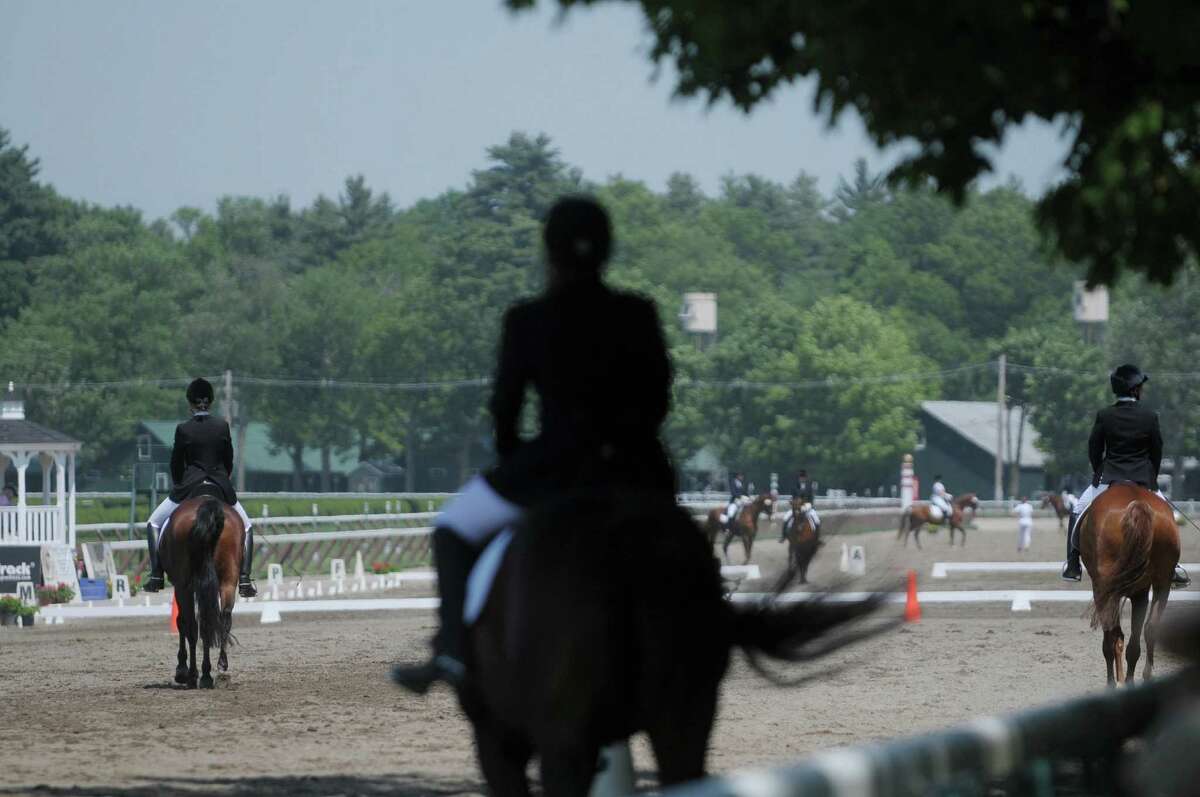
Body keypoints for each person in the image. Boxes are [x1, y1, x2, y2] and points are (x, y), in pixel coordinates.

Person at [392, 196, 676, 694]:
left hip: (552, 471)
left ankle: (454, 650)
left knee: (452, 530)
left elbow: (504, 411)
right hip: (634, 470)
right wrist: (623, 448)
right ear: (608, 250)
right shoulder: (637, 313)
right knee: (679, 549)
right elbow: (658, 400)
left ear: (551, 253)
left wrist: (518, 457)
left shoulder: (527, 319)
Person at [1061, 364, 1188, 585]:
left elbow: (1094, 447)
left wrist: (1099, 469)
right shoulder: (1150, 416)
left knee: (1078, 510)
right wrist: (1152, 478)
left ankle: (1072, 563)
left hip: (1109, 477)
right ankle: (1172, 565)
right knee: (1165, 515)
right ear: (1135, 390)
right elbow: (1156, 450)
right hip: (1143, 479)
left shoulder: (1105, 415)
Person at [142, 378, 257, 597]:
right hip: (219, 484)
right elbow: (228, 459)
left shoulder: (183, 429)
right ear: (210, 402)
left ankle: (156, 574)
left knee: (153, 523)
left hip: (189, 485)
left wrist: (180, 483)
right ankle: (243, 579)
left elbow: (176, 462)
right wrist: (223, 478)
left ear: (190, 404)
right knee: (248, 527)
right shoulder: (222, 426)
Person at [780, 469, 821, 541]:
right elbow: (793, 497)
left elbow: (811, 499)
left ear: (805, 478)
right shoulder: (795, 486)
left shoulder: (809, 487)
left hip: (807, 505)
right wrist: (793, 502)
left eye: (803, 477)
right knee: (786, 518)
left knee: (817, 520)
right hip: (796, 506)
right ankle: (783, 536)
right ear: (799, 478)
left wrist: (807, 505)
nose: (802, 479)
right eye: (800, 477)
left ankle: (817, 538)